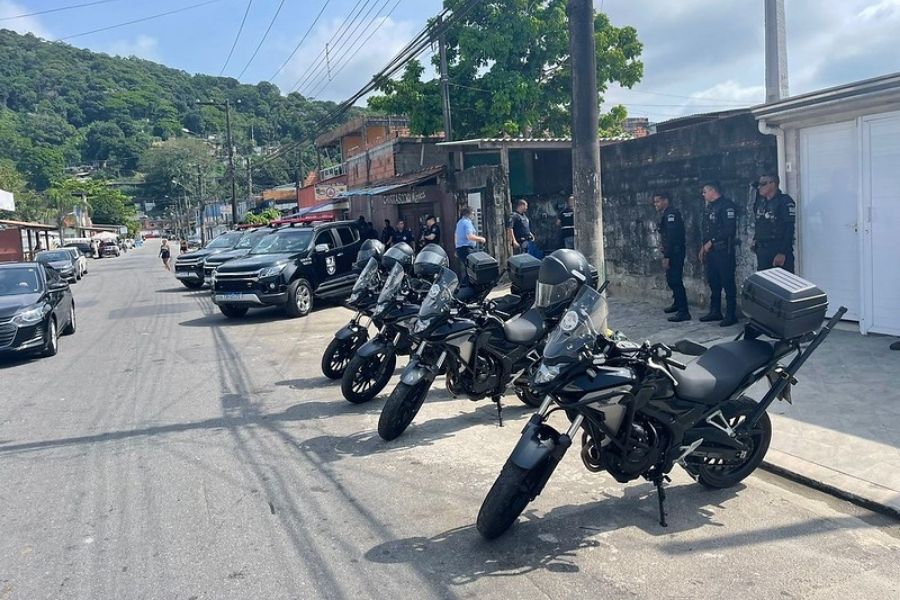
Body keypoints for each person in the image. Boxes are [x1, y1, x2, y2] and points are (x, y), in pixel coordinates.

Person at [698, 182, 738, 327]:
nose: (703, 195)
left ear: (712, 190)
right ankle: (715, 311)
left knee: (727, 282)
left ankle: (731, 314)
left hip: (723, 251)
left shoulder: (727, 206)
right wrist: (704, 246)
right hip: (712, 252)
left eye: (704, 192)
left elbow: (729, 230)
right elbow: (707, 230)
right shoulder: (710, 208)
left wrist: (712, 242)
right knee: (714, 282)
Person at [654, 192, 690, 322]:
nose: (655, 205)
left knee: (675, 280)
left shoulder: (671, 215)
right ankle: (677, 304)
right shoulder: (666, 214)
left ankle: (683, 311)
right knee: (671, 279)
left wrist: (667, 256)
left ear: (665, 200)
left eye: (658, 201)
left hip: (674, 252)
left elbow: (672, 237)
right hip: (671, 251)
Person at [752, 174, 796, 273]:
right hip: (763, 250)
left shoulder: (784, 201)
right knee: (764, 285)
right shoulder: (761, 203)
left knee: (783, 284)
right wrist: (755, 239)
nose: (759, 187)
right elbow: (760, 223)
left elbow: (789, 228)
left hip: (778, 248)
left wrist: (782, 252)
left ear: (773, 184)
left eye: (763, 184)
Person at [455, 207, 485, 281]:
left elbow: (455, 235)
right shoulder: (467, 223)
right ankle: (467, 285)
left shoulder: (459, 222)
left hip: (460, 248)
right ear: (469, 214)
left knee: (468, 267)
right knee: (471, 269)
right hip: (467, 248)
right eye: (473, 214)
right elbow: (470, 236)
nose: (474, 216)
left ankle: (466, 284)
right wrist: (481, 239)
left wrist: (456, 248)